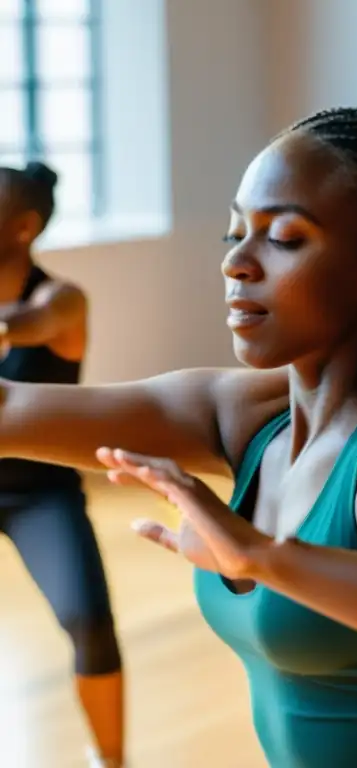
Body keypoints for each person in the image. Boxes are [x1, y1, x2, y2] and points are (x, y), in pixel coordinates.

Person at [0, 108, 357, 768]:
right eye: (236, 232)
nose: (236, 264)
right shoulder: (242, 416)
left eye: (285, 238)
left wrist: (265, 556)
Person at [0, 162, 125, 768]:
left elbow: (33, 324)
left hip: (38, 494)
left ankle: (111, 760)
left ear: (23, 226)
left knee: (90, 621)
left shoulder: (62, 299)